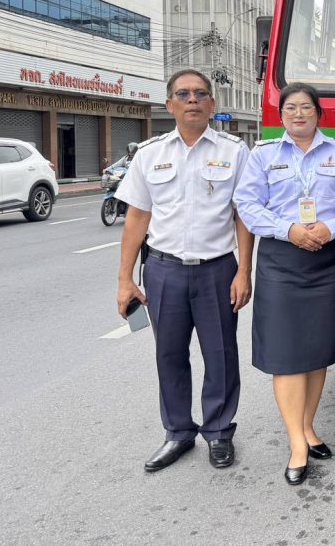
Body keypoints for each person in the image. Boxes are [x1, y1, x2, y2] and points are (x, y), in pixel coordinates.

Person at [114, 69, 253, 473]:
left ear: (212, 104)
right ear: (169, 104)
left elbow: (243, 216)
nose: (192, 100)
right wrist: (126, 280)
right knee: (169, 355)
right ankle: (178, 432)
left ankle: (219, 431)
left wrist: (244, 270)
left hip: (217, 270)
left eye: (200, 94)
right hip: (163, 271)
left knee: (221, 354)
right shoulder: (150, 154)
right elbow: (137, 218)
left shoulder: (233, 151)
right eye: (183, 94)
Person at [232, 83, 335, 486]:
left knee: (317, 351)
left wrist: (329, 227)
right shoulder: (263, 155)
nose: (298, 113)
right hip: (282, 261)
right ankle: (296, 444)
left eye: (306, 107)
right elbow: (247, 204)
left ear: (319, 113)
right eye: (290, 108)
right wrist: (288, 230)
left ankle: (308, 427)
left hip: (327, 258)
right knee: (286, 354)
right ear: (281, 114)